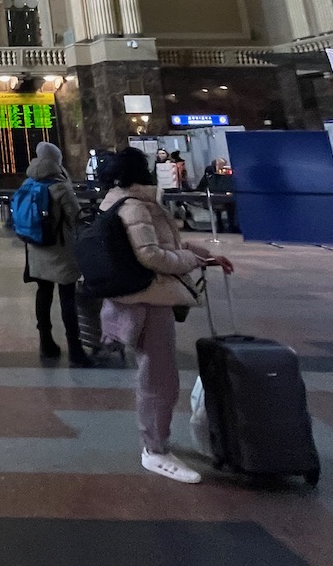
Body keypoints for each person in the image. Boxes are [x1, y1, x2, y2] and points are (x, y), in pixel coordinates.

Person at [99, 146, 232, 484]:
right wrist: (191, 263)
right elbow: (152, 256)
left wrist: (204, 256)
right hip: (147, 298)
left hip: (148, 296)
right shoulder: (135, 207)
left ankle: (157, 441)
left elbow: (165, 244)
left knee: (158, 374)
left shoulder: (124, 202)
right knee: (159, 378)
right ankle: (155, 450)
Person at [21, 142, 90, 367]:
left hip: (36, 248)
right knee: (67, 298)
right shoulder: (59, 186)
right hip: (60, 250)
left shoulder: (28, 181)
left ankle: (46, 343)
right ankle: (76, 349)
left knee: (43, 293)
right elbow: (76, 218)